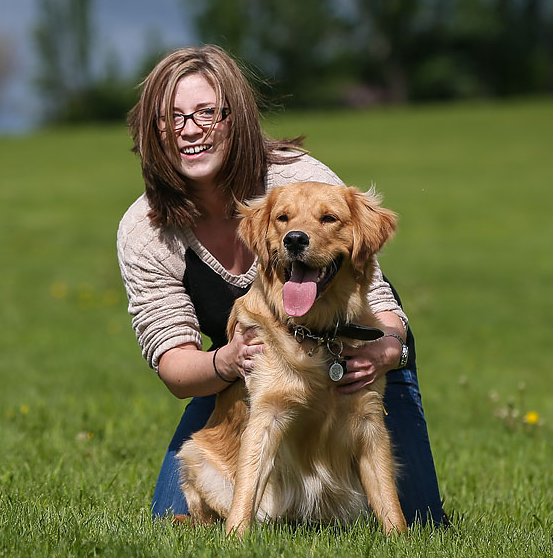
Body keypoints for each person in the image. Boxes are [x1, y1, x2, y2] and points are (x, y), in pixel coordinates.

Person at [117, 45, 445, 526]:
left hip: (356, 363)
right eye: (171, 118)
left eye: (207, 112)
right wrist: (226, 360)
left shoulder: (300, 180)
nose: (190, 130)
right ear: (154, 132)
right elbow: (174, 366)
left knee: (419, 522)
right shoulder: (144, 230)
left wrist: (388, 350)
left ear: (236, 118)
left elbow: (372, 292)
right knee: (174, 515)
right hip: (247, 376)